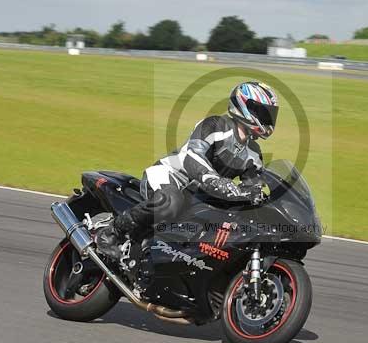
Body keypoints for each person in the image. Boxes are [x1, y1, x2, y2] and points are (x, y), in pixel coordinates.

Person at [97, 81, 279, 254]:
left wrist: (261, 198)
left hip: (197, 197)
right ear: (246, 107)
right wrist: (214, 180)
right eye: (264, 112)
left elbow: (252, 188)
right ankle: (111, 233)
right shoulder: (215, 125)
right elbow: (192, 156)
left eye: (271, 114)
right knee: (171, 201)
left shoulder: (254, 154)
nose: (268, 119)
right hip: (170, 177)